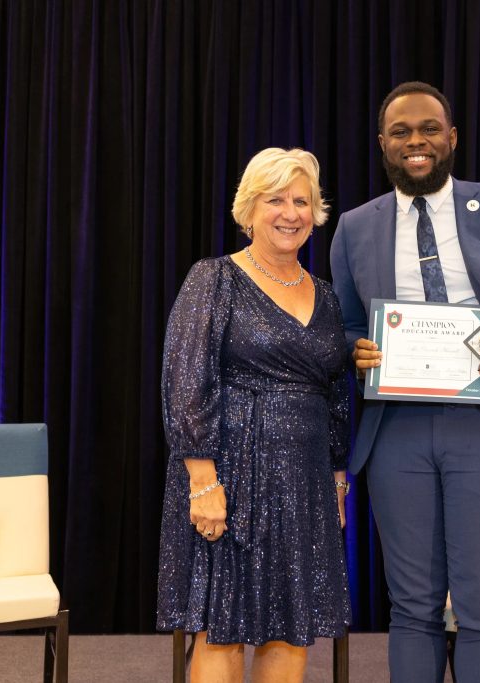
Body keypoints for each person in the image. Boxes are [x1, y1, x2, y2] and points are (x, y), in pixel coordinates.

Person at [330, 81, 480, 682]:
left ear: (452, 137)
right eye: (402, 132)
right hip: (397, 429)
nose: (417, 142)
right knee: (411, 607)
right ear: (382, 144)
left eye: (430, 129)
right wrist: (355, 350)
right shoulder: (355, 227)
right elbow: (350, 321)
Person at [156, 147, 351, 683]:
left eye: (301, 201)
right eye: (275, 200)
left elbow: (336, 393)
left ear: (316, 212)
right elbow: (187, 380)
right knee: (223, 631)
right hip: (231, 474)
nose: (290, 213)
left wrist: (337, 480)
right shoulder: (214, 279)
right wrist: (202, 480)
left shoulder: (329, 299)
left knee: (291, 631)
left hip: (305, 479)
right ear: (249, 209)